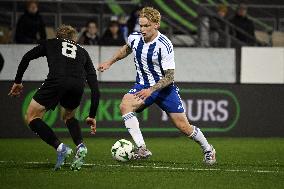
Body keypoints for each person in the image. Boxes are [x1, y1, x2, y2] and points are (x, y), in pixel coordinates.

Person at [98, 7, 216, 165]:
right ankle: (141, 148)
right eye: (141, 25)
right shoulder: (135, 38)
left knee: (184, 127)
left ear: (156, 25)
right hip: (142, 85)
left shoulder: (164, 45)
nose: (142, 29)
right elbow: (126, 49)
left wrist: (152, 90)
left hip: (165, 89)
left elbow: (170, 76)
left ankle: (208, 149)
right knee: (125, 105)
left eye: (146, 26)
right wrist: (109, 62)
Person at [8, 25, 100, 170]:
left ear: (58, 37)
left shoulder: (51, 42)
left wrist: (18, 81)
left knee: (32, 117)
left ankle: (60, 147)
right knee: (68, 116)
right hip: (77, 84)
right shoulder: (83, 52)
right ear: (74, 39)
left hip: (57, 80)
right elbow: (95, 88)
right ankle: (81, 146)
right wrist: (92, 115)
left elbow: (26, 57)